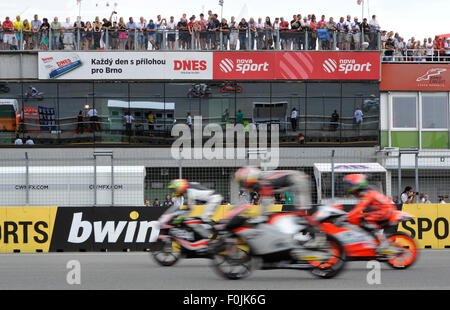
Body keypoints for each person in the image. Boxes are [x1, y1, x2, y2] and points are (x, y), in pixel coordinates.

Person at [234, 166, 326, 249]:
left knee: (300, 213)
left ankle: (320, 236)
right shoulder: (260, 180)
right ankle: (307, 236)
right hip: (296, 183)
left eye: (242, 181)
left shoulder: (262, 181)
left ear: (248, 177)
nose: (242, 184)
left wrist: (261, 216)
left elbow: (267, 201)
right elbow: (266, 201)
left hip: (298, 182)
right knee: (296, 215)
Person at [341, 174, 396, 254]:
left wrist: (347, 216)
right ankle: (377, 240)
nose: (347, 187)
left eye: (349, 184)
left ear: (356, 184)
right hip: (385, 209)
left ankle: (382, 243)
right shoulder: (366, 192)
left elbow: (359, 207)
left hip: (386, 210)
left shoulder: (367, 193)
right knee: (364, 218)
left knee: (366, 220)